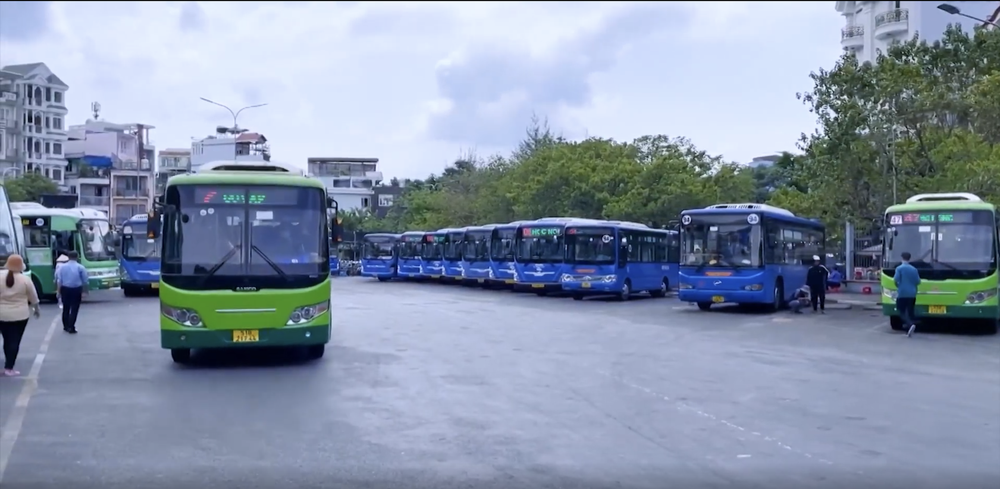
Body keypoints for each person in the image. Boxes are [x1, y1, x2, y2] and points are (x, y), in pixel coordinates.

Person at [0, 254, 41, 377]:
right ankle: (9, 368)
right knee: (14, 341)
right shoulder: (25, 280)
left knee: (6, 339)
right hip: (20, 315)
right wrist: (36, 310)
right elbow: (33, 297)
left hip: (1, 314)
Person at [55, 251, 88, 334]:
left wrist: (58, 292)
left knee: (66, 308)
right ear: (77, 257)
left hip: (65, 289)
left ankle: (66, 326)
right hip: (76, 289)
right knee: (74, 309)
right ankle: (71, 326)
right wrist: (85, 291)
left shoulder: (62, 268)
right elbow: (85, 281)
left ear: (68, 257)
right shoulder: (80, 267)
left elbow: (59, 281)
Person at [894, 251, 921, 337]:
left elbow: (896, 279)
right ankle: (909, 329)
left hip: (902, 293)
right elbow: (918, 281)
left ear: (902, 258)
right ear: (909, 258)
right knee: (910, 311)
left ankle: (910, 324)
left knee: (901, 310)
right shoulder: (914, 269)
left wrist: (898, 286)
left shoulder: (899, 268)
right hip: (912, 293)